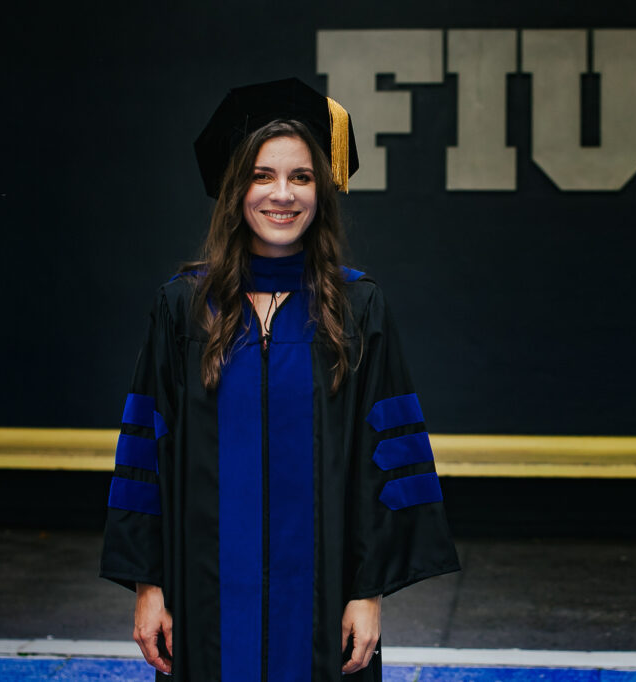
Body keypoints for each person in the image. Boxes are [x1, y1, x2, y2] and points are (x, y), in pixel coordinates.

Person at [100, 78, 460, 682]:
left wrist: (368, 594)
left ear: (322, 190)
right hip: (203, 601)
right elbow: (146, 456)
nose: (282, 195)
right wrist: (148, 584)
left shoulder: (356, 307)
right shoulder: (184, 308)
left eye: (301, 177)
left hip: (322, 609)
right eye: (263, 176)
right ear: (235, 189)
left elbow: (385, 461)